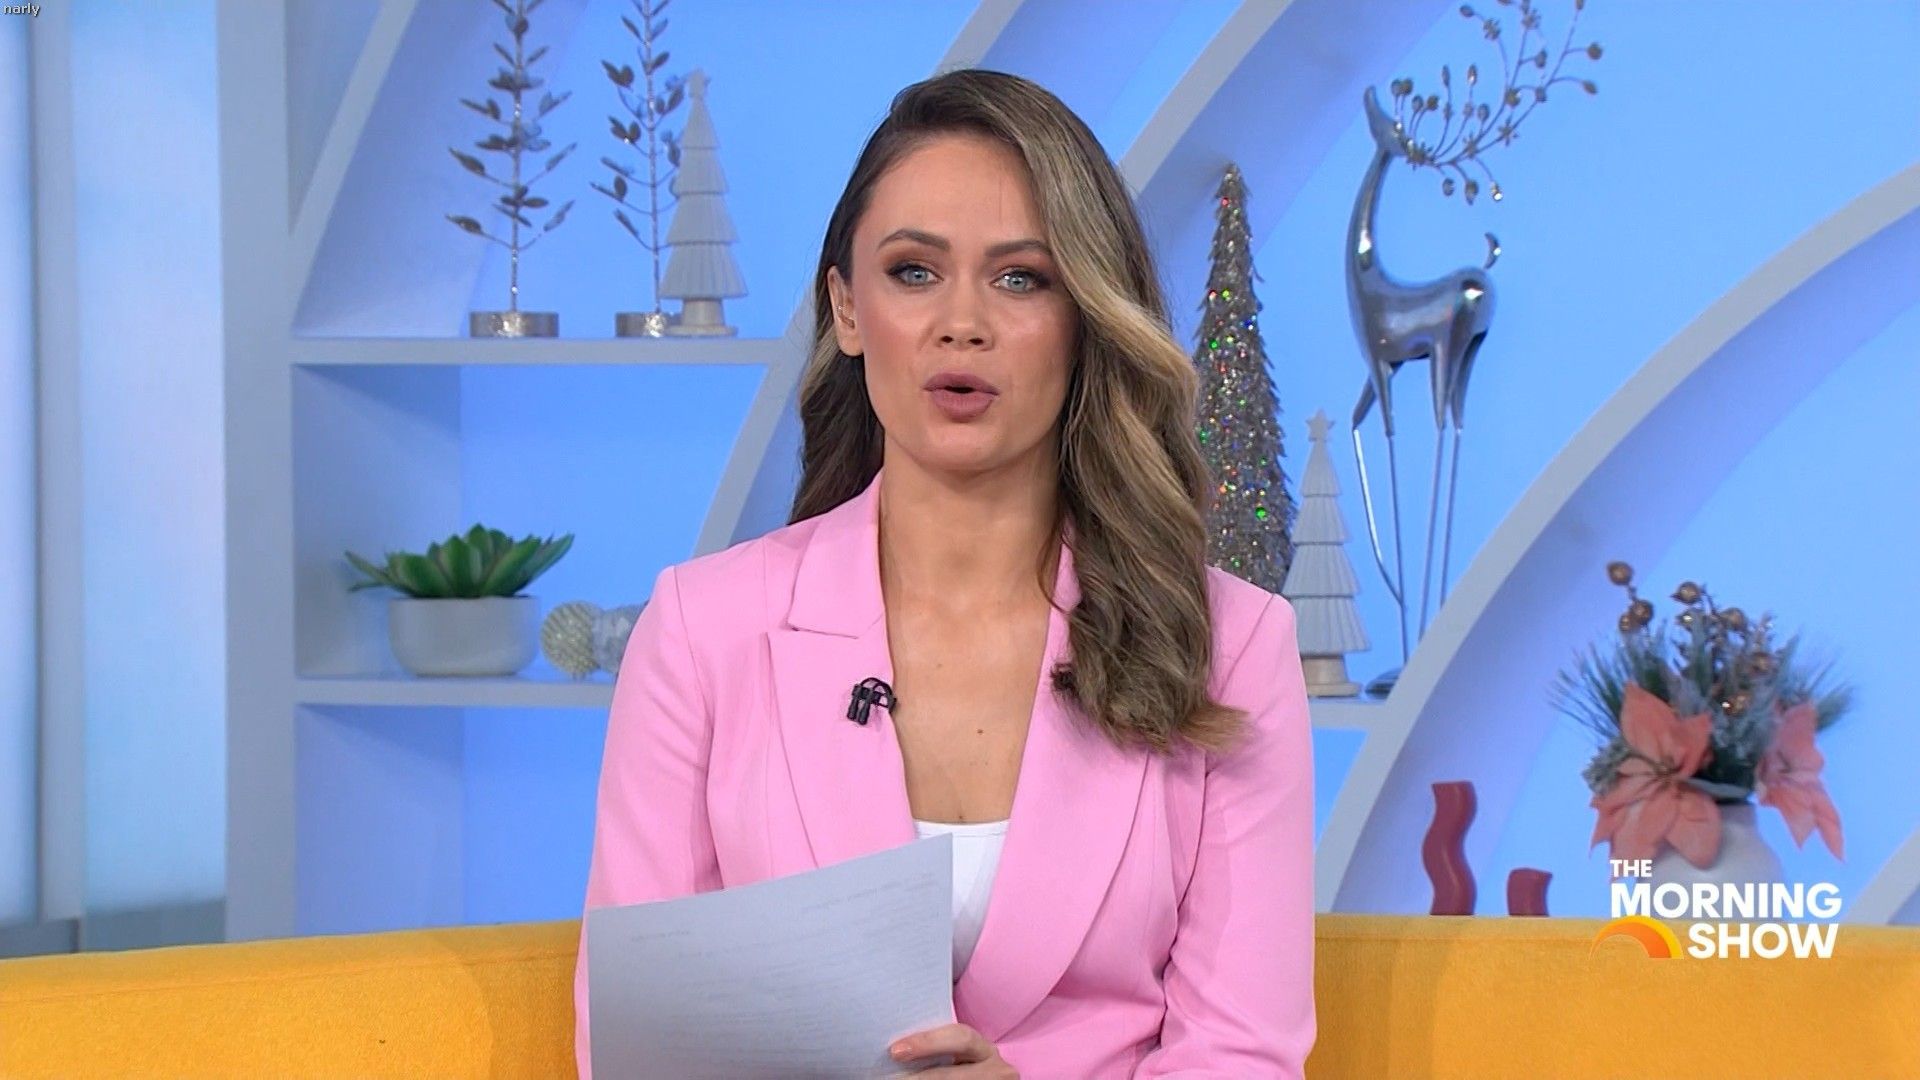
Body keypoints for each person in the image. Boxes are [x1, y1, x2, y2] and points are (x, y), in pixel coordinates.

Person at [573, 67, 1314, 1078]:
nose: (962, 322)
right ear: (845, 307)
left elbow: (1241, 1054)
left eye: (1021, 279)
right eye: (914, 272)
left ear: (1088, 318)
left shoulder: (1233, 649)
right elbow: (639, 1046)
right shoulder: (703, 632)